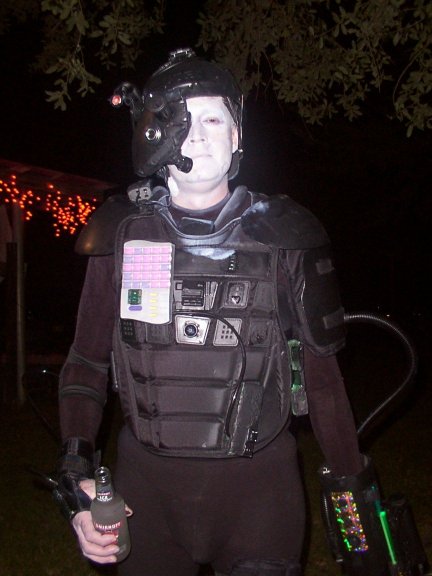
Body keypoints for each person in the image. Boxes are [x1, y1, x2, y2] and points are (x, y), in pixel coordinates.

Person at [55, 48, 363, 576]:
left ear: (238, 136)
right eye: (181, 118)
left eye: (214, 119)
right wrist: (78, 476)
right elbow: (85, 364)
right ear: (152, 133)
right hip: (144, 499)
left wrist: (354, 491)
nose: (197, 135)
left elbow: (324, 382)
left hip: (261, 500)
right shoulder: (119, 234)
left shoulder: (286, 234)